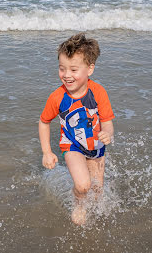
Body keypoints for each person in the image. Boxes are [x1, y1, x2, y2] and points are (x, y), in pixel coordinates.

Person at [39, 33, 115, 225]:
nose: (66, 75)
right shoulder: (57, 97)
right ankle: (78, 205)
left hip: (96, 147)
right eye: (62, 68)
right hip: (71, 145)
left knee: (97, 190)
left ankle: (93, 208)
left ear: (90, 69)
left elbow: (106, 121)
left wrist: (108, 133)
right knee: (83, 186)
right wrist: (47, 152)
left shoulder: (98, 92)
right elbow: (44, 121)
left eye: (73, 69)